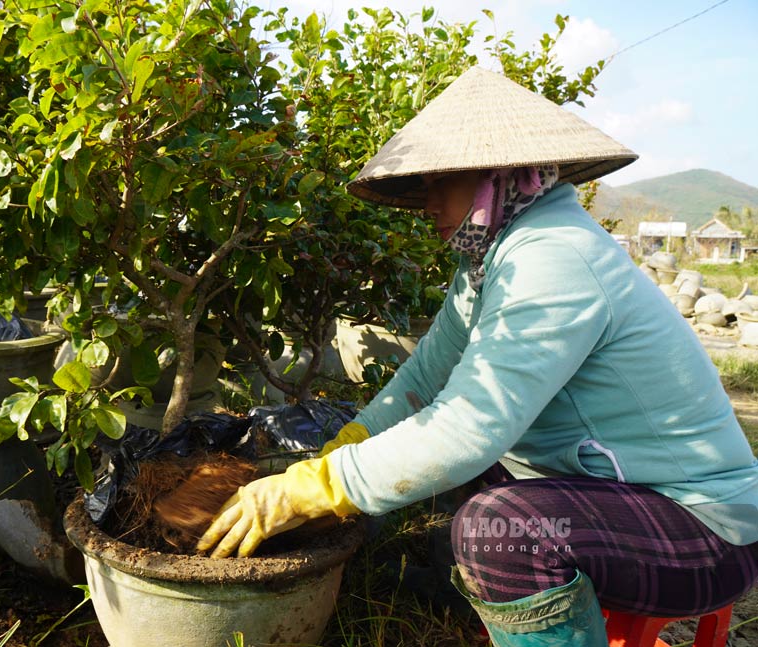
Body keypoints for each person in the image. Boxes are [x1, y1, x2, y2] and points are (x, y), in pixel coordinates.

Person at [197, 66, 758, 646]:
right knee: (449, 472)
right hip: (615, 490)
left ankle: (516, 592)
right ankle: (470, 588)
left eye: (442, 181)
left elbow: (469, 426)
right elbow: (428, 374)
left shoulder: (554, 258)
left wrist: (311, 488)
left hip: (702, 529)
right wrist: (353, 443)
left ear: (499, 174)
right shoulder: (494, 257)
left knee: (499, 528)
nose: (427, 203)